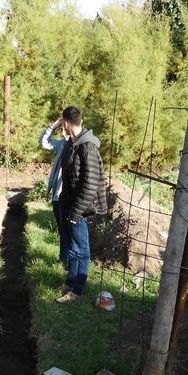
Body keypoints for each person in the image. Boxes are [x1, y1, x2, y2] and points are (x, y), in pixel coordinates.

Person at [56, 105, 107, 303]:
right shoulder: (75, 142)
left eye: (63, 124)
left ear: (66, 123)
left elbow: (91, 184)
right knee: (73, 248)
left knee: (81, 250)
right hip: (71, 205)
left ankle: (77, 290)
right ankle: (70, 282)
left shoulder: (88, 147)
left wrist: (76, 212)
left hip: (81, 208)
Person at [39, 118, 69, 264]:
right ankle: (64, 260)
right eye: (61, 129)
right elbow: (44, 142)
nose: (62, 131)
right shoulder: (61, 145)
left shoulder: (76, 146)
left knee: (67, 231)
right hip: (57, 195)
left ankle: (67, 261)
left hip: (67, 196)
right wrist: (52, 126)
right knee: (62, 229)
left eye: (64, 128)